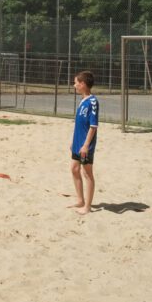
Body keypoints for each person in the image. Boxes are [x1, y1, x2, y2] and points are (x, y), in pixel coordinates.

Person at [68, 70, 99, 215]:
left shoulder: (93, 102)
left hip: (86, 145)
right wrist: (73, 141)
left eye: (76, 83)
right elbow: (79, 124)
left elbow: (93, 126)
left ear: (83, 84)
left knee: (87, 174)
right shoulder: (83, 101)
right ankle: (80, 200)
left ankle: (87, 206)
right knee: (74, 169)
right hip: (77, 143)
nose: (74, 85)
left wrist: (86, 145)